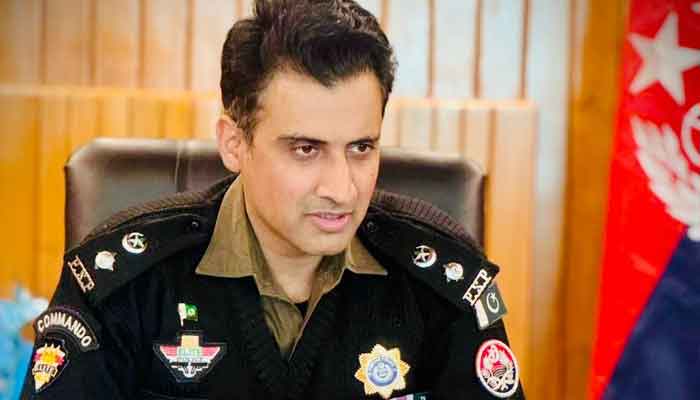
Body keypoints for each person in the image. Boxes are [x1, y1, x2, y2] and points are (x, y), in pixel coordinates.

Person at [20, 1, 524, 399]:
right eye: (306, 150)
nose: (342, 189)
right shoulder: (121, 283)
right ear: (234, 144)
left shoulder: (443, 282)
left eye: (361, 148)